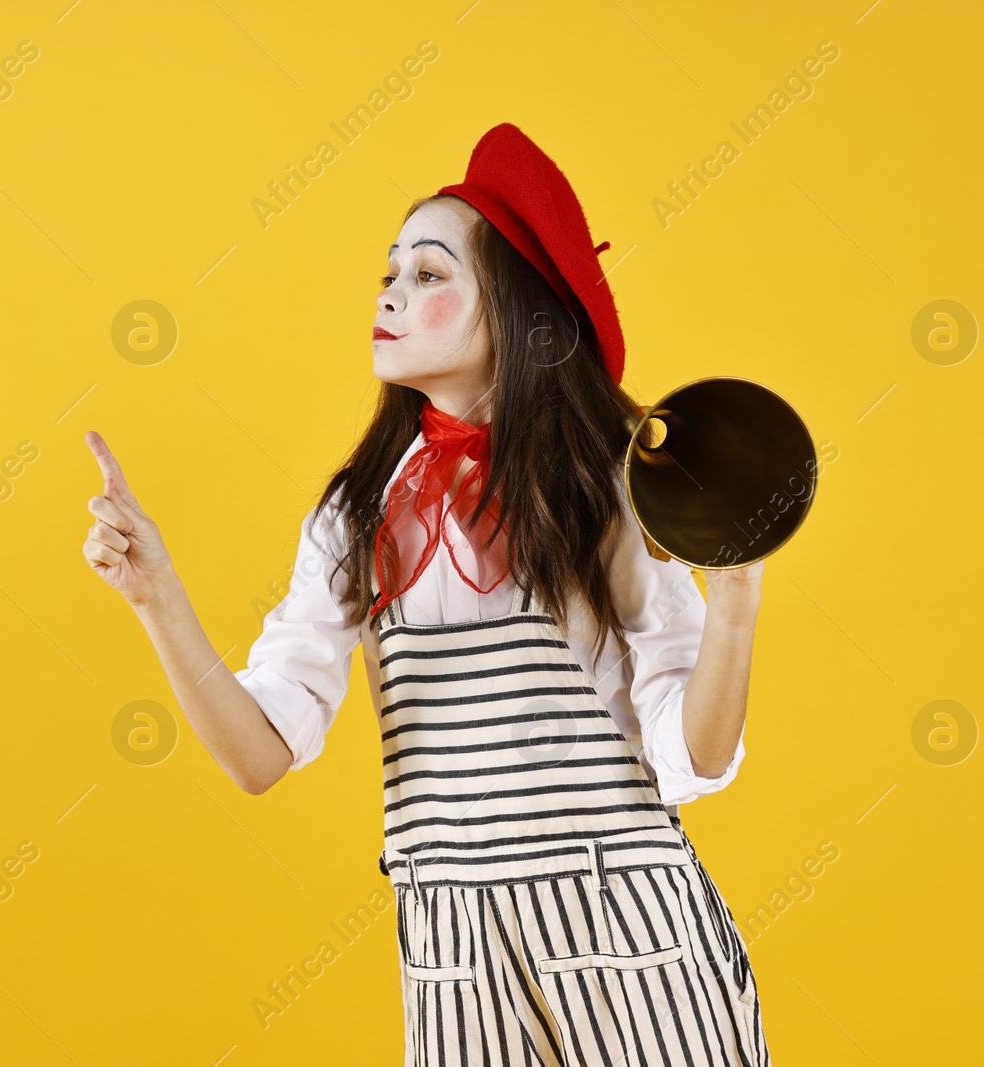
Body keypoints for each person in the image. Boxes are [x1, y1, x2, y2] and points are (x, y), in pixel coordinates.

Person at [84, 122, 770, 1066]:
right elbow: (259, 754)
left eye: (431, 273)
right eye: (390, 271)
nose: (392, 293)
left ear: (517, 312)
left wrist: (735, 603)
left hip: (626, 920)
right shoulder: (353, 516)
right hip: (455, 951)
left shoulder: (608, 492)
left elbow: (693, 752)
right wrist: (157, 597)